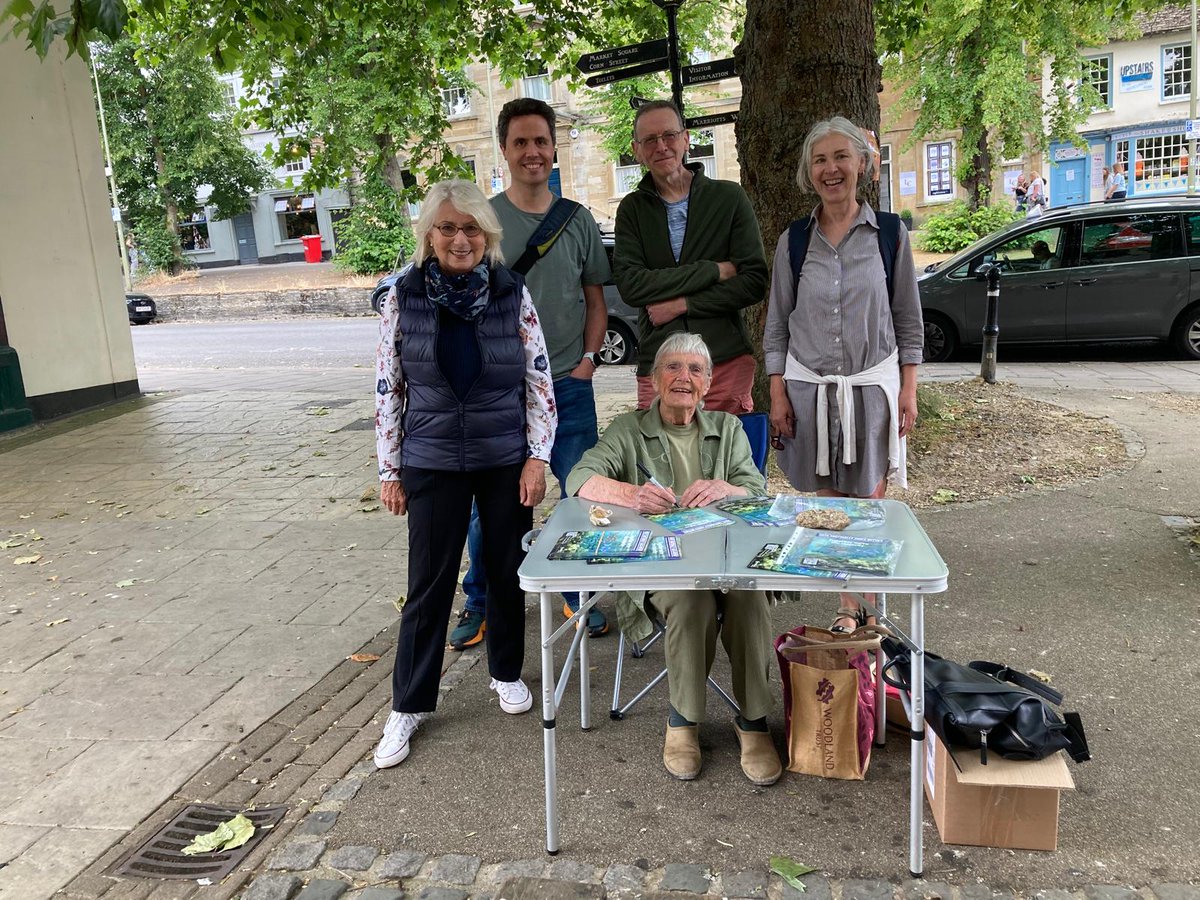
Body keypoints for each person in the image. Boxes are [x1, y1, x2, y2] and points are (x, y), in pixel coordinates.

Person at [373, 178, 556, 769]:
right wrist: (389, 468)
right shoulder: (402, 295)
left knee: (506, 573)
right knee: (428, 585)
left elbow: (538, 378)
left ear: (488, 235)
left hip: (504, 455)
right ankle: (408, 704)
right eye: (447, 227)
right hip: (430, 459)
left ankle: (505, 671)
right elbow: (388, 387)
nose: (459, 238)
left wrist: (538, 456)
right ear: (429, 233)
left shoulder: (511, 291)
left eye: (471, 227)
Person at [566, 332, 782, 786]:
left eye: (695, 370)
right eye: (672, 367)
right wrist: (633, 494)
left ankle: (754, 721)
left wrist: (729, 489)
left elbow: (758, 493)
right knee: (690, 601)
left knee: (749, 598)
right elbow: (578, 478)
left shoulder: (728, 429)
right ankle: (682, 721)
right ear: (655, 378)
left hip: (726, 562)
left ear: (707, 383)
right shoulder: (629, 430)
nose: (683, 377)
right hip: (660, 569)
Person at [452, 98, 613, 650]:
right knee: (491, 505)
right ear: (503, 150)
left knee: (577, 495)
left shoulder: (578, 220)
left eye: (540, 141)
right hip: (502, 394)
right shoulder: (485, 223)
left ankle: (575, 591)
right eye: (520, 142)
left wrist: (589, 361)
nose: (532, 152)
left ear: (553, 147)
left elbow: (595, 299)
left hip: (569, 384)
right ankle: (482, 600)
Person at [763, 116, 923, 635]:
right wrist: (777, 392)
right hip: (808, 389)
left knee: (868, 499)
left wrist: (909, 389)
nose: (831, 169)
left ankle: (868, 602)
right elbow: (776, 323)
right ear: (810, 172)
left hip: (870, 389)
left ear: (863, 165)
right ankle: (847, 602)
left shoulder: (889, 236)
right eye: (820, 160)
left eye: (840, 157)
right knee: (827, 502)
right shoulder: (793, 243)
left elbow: (908, 320)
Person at [613, 100, 768, 414]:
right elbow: (632, 286)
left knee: (729, 460)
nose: (661, 146)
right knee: (662, 462)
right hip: (660, 364)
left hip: (723, 360)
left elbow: (753, 282)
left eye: (669, 135)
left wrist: (683, 304)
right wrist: (713, 270)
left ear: (686, 138)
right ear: (637, 150)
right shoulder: (632, 210)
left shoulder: (728, 198)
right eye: (650, 140)